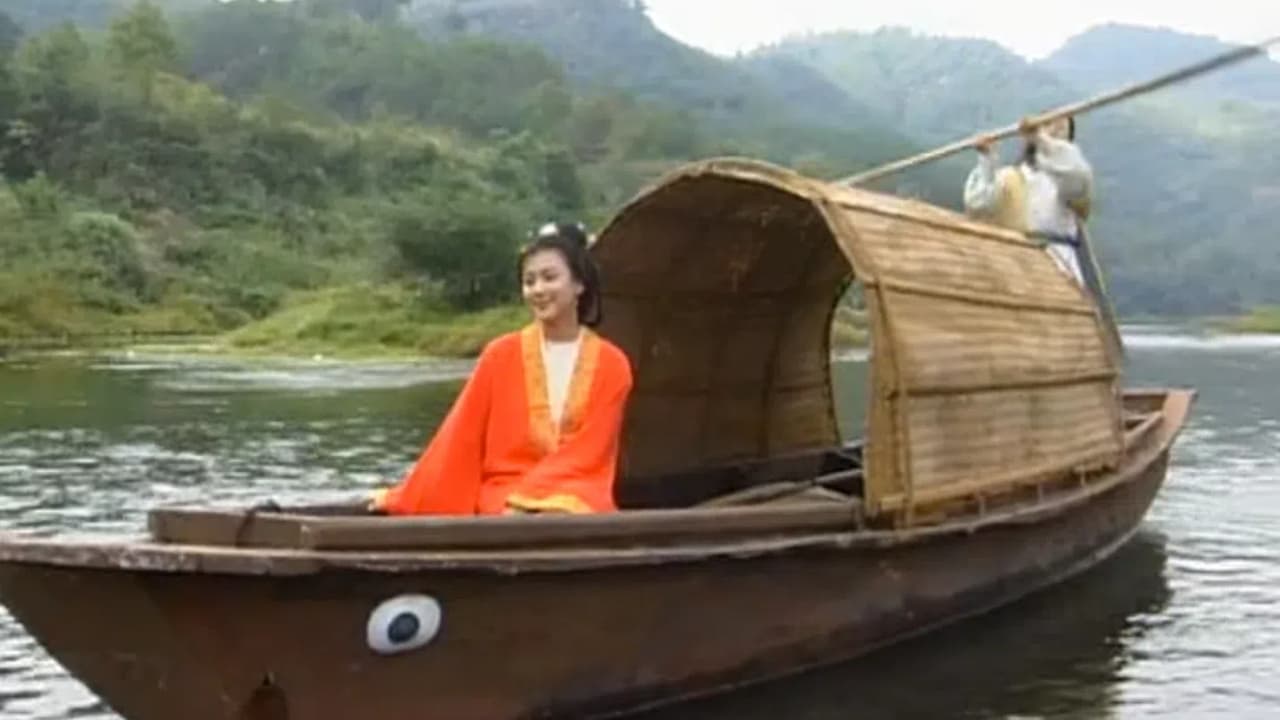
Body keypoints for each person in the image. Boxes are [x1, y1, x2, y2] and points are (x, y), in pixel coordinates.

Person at [369, 222, 633, 516]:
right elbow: (461, 434)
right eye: (529, 281)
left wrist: (542, 495)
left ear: (579, 284)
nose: (538, 290)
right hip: (507, 491)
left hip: (579, 492)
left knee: (563, 510)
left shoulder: (613, 364)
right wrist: (406, 496)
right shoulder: (500, 355)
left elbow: (591, 451)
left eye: (549, 278)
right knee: (517, 514)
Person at [963, 116, 1094, 284]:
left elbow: (1074, 175)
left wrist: (1042, 140)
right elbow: (977, 205)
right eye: (1048, 124)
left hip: (1057, 266)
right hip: (1012, 264)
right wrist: (987, 158)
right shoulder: (1009, 176)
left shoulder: (1069, 181)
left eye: (1061, 128)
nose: (1054, 131)